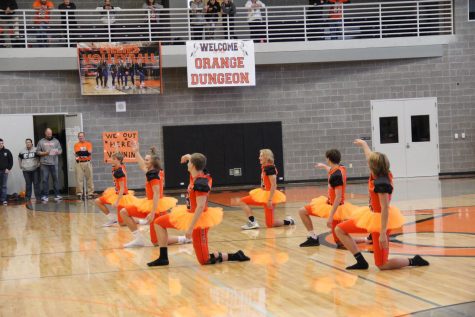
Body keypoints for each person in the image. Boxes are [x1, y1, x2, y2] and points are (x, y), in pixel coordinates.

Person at [335, 139, 430, 270]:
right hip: (371, 216)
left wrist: (383, 233)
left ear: (373, 166)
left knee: (382, 265)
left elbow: (385, 208)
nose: (367, 161)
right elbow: (369, 156)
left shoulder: (381, 184)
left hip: (380, 222)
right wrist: (364, 145)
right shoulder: (377, 173)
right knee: (340, 229)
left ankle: (413, 260)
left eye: (369, 162)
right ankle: (360, 261)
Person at [148, 153, 250, 266]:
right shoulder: (196, 174)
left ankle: (235, 255)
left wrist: (190, 228)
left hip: (199, 220)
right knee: (158, 223)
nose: (188, 164)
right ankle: (163, 258)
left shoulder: (201, 183)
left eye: (189, 162)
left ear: (193, 166)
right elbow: (198, 163)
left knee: (204, 260)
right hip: (187, 214)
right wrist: (188, 157)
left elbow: (200, 207)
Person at [119, 143, 188, 248]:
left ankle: (183, 239)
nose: (145, 161)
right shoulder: (154, 171)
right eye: (145, 159)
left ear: (153, 162)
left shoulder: (153, 175)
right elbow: (142, 165)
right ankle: (138, 239)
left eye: (147, 160)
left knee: (156, 242)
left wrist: (152, 212)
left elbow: (156, 194)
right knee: (124, 212)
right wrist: (136, 152)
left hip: (156, 207)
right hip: (148, 204)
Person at [298, 149, 358, 247]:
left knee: (340, 241)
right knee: (302, 211)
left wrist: (330, 217)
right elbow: (331, 171)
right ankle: (313, 237)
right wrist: (324, 166)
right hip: (328, 204)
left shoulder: (336, 176)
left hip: (336, 208)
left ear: (329, 159)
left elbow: (338, 197)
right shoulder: (340, 167)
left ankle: (366, 239)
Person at [240, 149, 294, 230]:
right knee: (242, 201)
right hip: (263, 194)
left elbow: (274, 185)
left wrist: (270, 200)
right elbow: (265, 181)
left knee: (270, 224)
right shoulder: (264, 167)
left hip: (270, 197)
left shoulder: (270, 168)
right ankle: (252, 222)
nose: (259, 158)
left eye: (261, 156)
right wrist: (262, 185)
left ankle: (289, 221)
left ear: (266, 157)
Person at [95, 151, 136, 227]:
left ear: (118, 160)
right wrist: (116, 149)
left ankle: (139, 220)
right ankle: (112, 219)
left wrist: (117, 202)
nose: (111, 160)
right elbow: (120, 157)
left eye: (113, 159)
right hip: (115, 193)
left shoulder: (119, 172)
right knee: (98, 201)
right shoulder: (118, 165)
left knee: (122, 223)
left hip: (122, 196)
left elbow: (122, 188)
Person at [37, 128, 63, 202]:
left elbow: (60, 150)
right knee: (45, 180)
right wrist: (46, 153)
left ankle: (57, 195)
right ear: (45, 133)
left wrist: (57, 152)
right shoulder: (41, 141)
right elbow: (38, 152)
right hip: (44, 164)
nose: (49, 135)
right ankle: (45, 195)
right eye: (48, 133)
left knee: (56, 179)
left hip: (54, 163)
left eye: (50, 133)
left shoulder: (56, 141)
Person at [74, 132, 94, 200]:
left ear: (84, 137)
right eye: (79, 136)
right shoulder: (76, 145)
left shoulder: (88, 144)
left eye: (82, 136)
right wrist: (86, 152)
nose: (81, 137)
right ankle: (79, 193)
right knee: (79, 179)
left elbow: (89, 153)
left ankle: (90, 193)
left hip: (87, 163)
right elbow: (78, 153)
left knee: (90, 178)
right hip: (79, 163)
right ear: (78, 137)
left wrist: (83, 153)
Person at [0, 138, 13, 205]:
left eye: (2, 143)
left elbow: (11, 161)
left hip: (5, 171)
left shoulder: (7, 151)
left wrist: (8, 168)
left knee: (4, 185)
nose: (1, 145)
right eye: (0, 143)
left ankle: (3, 199)